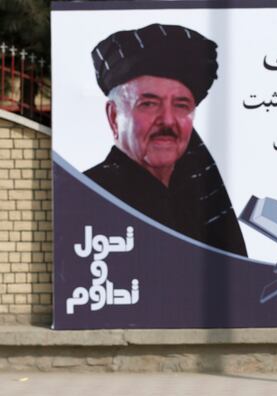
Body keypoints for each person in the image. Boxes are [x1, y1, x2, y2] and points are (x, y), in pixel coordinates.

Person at [84, 23, 247, 257]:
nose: (168, 120)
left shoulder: (193, 201)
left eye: (181, 105)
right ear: (114, 117)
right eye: (148, 104)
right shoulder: (87, 198)